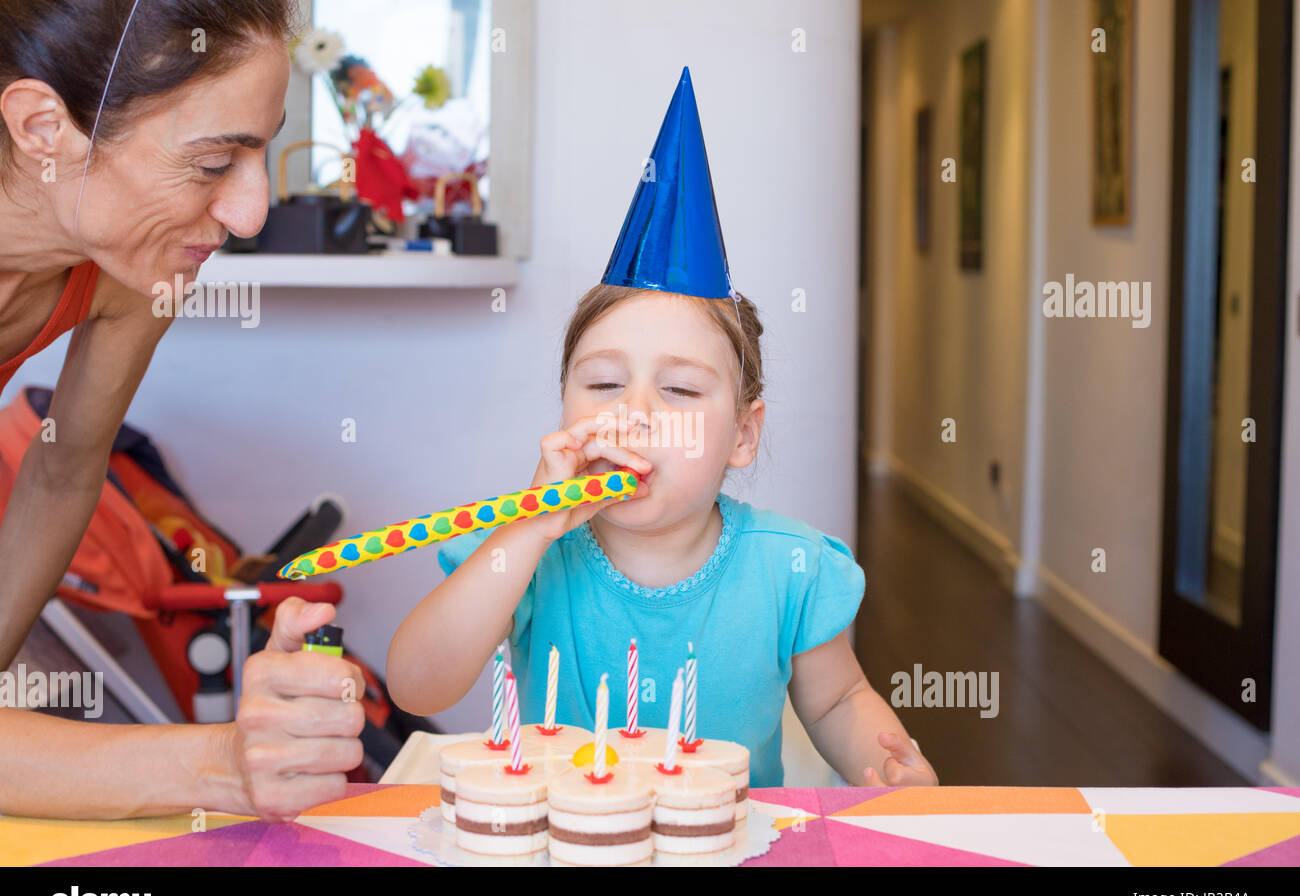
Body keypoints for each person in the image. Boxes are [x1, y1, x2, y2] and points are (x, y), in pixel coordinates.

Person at [386, 69, 937, 789]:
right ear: (563, 409)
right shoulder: (524, 554)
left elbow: (837, 699)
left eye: (678, 389)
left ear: (743, 435)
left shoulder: (789, 568)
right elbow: (416, 687)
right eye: (604, 384)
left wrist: (887, 761)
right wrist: (525, 531)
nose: (634, 412)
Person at [0, 0, 363, 820]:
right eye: (210, 164)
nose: (249, 213)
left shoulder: (136, 264)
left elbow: (64, 468)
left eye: (259, 153)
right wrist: (222, 765)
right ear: (40, 127)